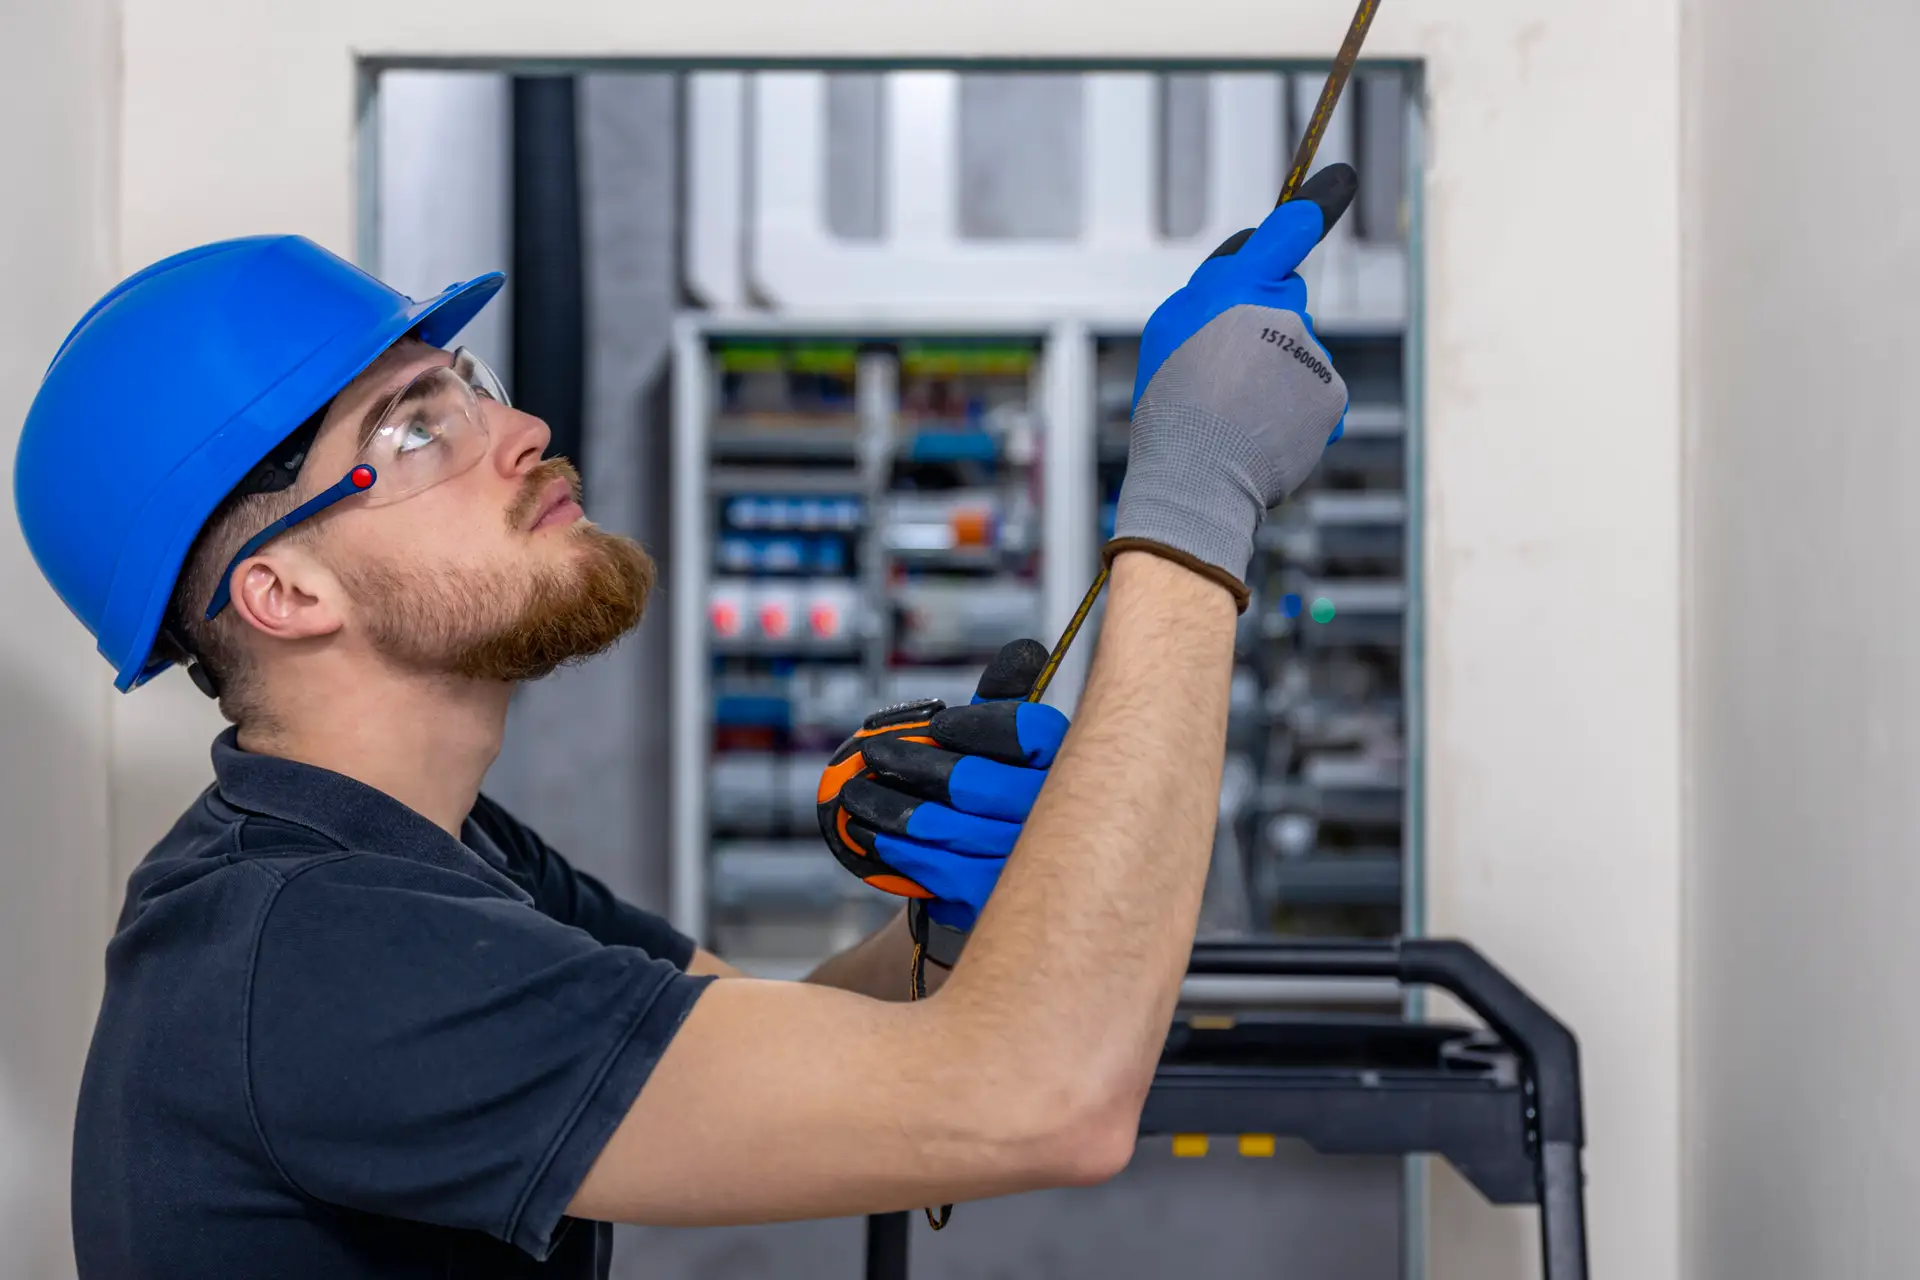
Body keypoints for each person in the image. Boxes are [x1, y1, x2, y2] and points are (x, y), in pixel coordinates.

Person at [13, 165, 1355, 1278]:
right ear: (281, 588)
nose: (523, 427)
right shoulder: (313, 955)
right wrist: (1194, 491)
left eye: (466, 383)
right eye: (414, 428)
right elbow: (1039, 1102)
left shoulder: (432, 855)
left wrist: (942, 920)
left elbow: (749, 1040)